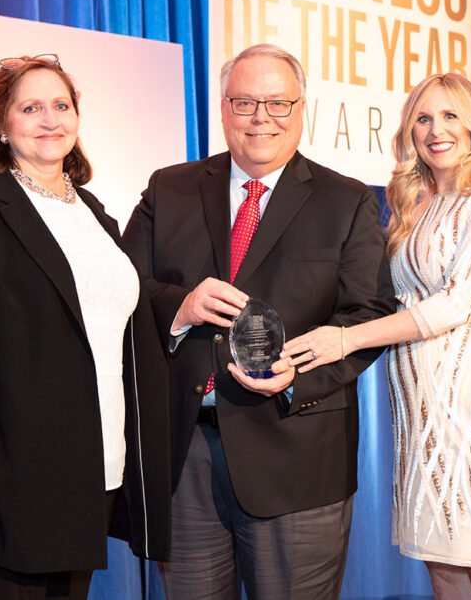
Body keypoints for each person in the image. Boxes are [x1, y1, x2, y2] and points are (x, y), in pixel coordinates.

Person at [121, 43, 395, 599]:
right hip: (184, 458)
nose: (261, 118)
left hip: (298, 456)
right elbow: (123, 290)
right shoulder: (168, 188)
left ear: (302, 110)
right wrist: (180, 306)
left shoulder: (346, 201)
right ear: (222, 110)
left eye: (278, 103)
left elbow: (368, 316)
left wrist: (298, 373)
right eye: (245, 103)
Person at [0, 54, 171, 599]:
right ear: (1, 124)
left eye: (61, 105)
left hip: (91, 474)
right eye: (30, 107)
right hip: (2, 483)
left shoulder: (97, 216)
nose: (50, 119)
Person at [283, 73, 471, 600]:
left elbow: (455, 302)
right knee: (442, 567)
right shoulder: (414, 205)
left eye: (450, 115)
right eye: (423, 118)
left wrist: (346, 339)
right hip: (421, 403)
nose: (435, 129)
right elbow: (389, 297)